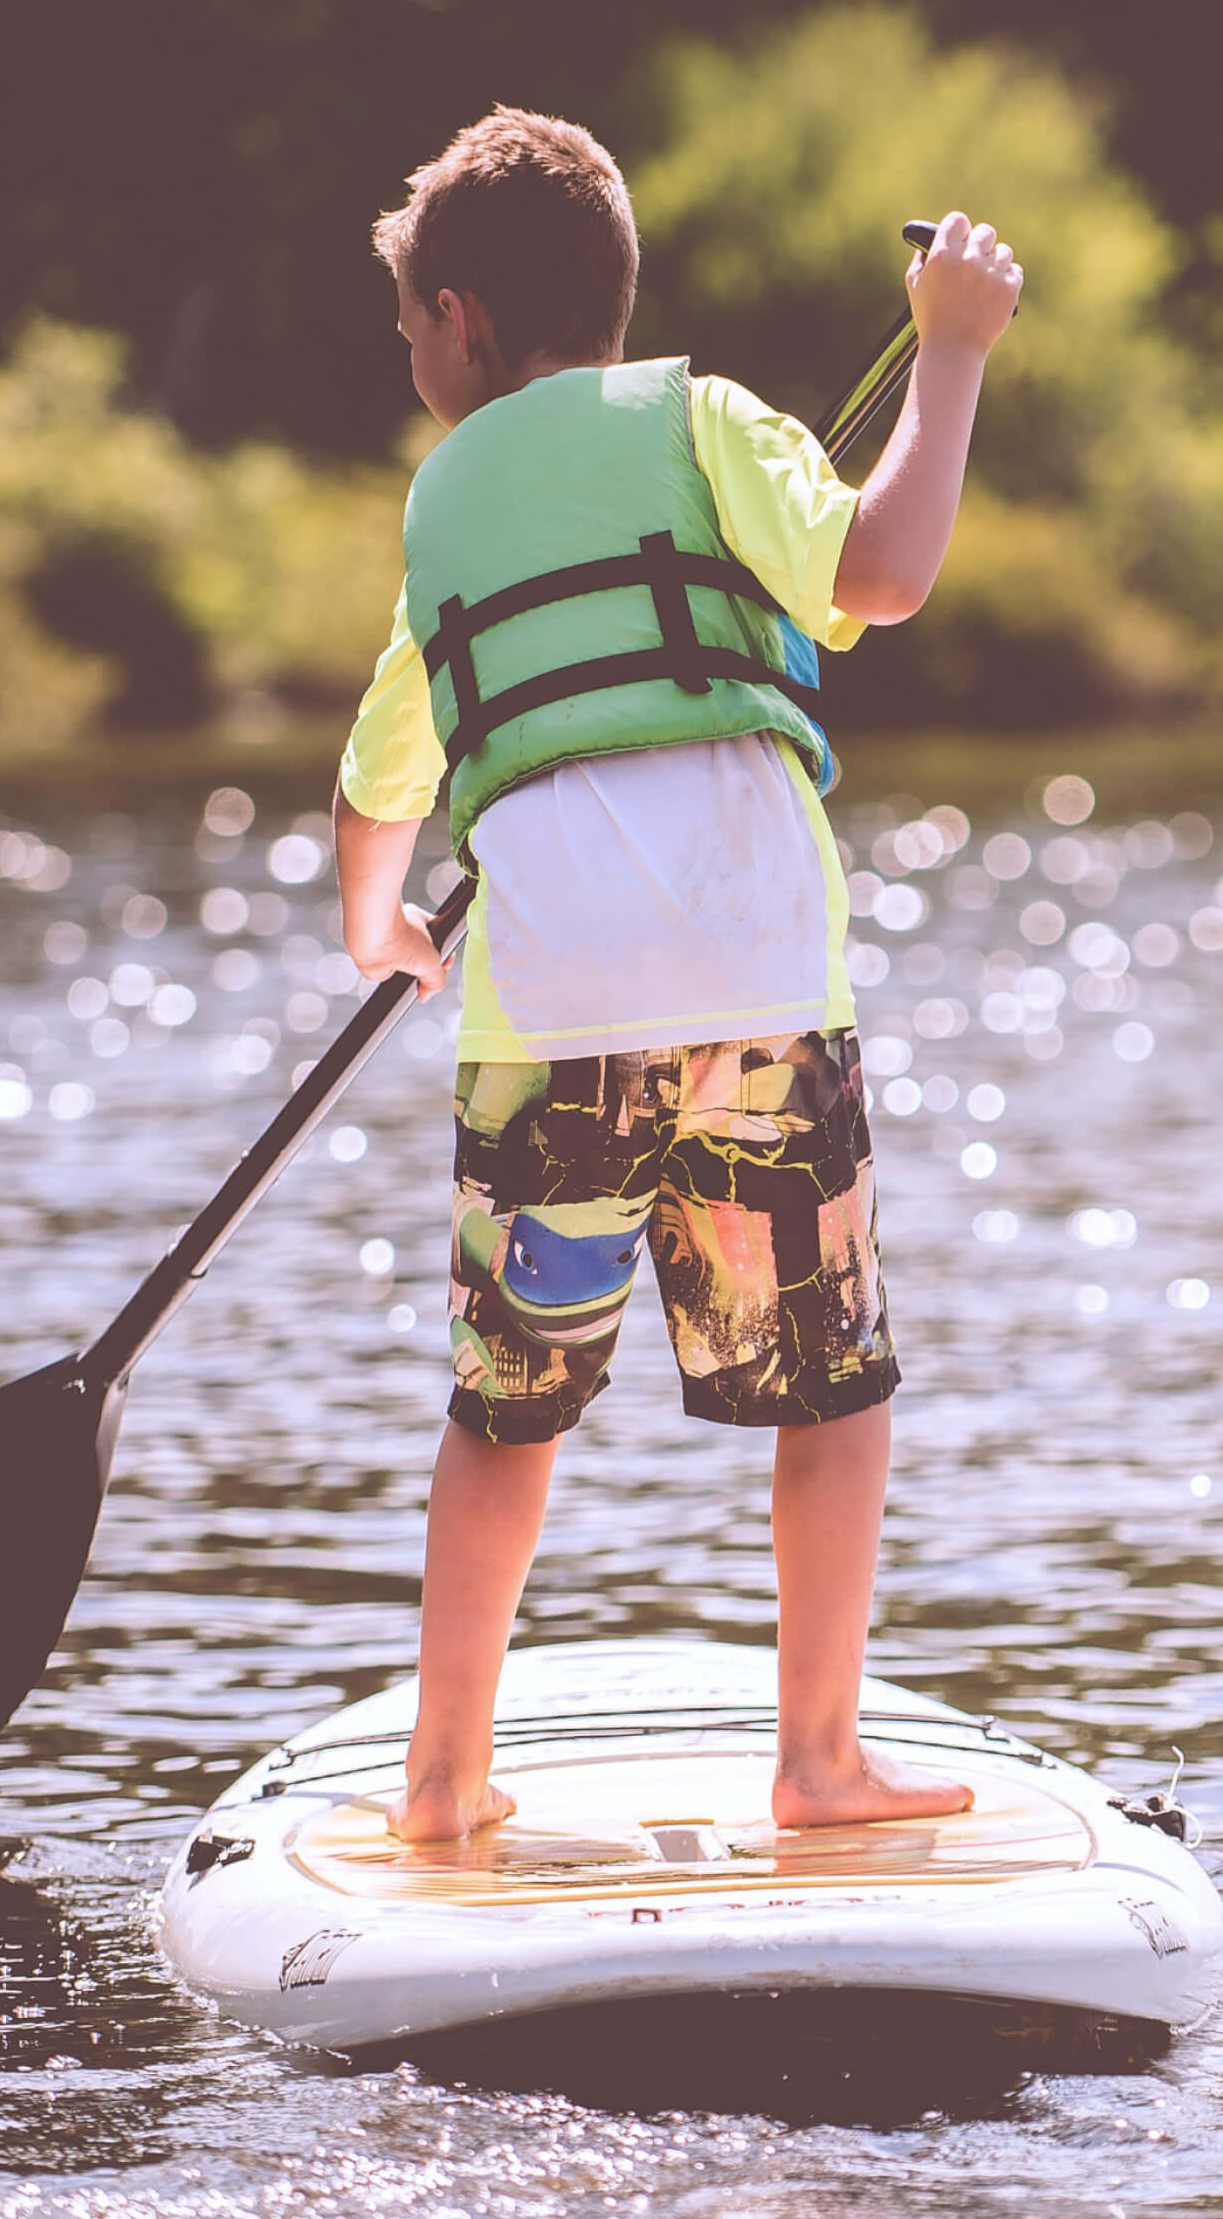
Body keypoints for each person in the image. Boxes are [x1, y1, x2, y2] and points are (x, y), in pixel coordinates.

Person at [332, 107, 1020, 1842]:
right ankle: (818, 1764)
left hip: (550, 1028)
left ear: (466, 322)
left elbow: (383, 774)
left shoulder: (442, 507)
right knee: (831, 1389)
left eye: (412, 319)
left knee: (508, 1414)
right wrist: (949, 364)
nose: (409, 349)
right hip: (761, 1004)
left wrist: (379, 927)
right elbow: (886, 568)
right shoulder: (707, 423)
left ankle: (440, 1782)